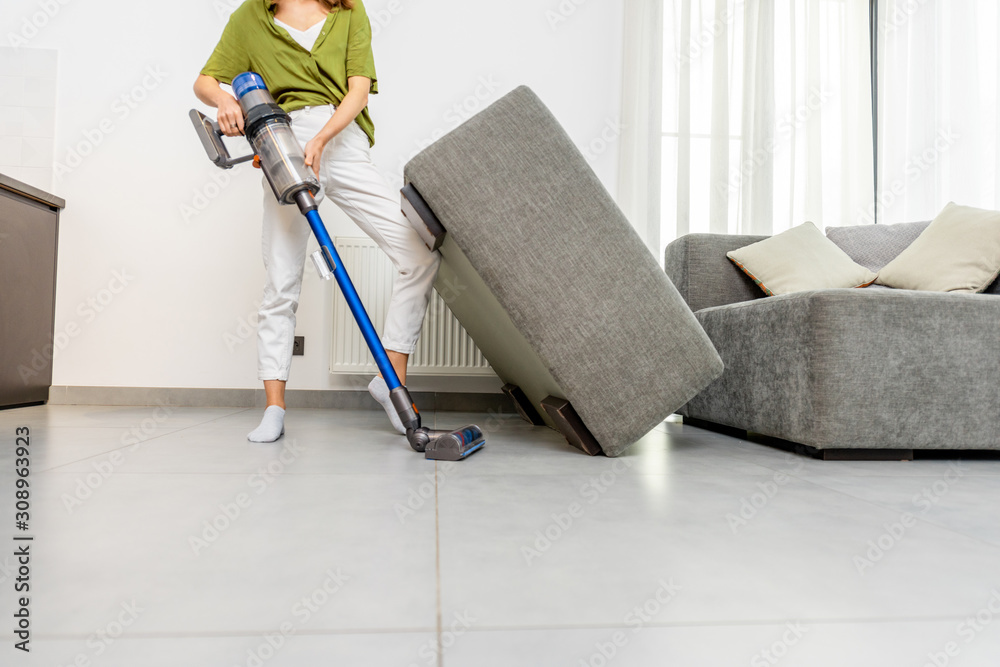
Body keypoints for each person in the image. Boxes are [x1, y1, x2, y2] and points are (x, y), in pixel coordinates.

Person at [194, 0, 439, 442]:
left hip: (341, 139)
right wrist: (226, 101)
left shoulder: (349, 10)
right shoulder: (253, 15)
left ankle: (389, 379)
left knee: (418, 256)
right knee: (282, 282)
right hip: (281, 139)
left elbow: (358, 90)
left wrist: (324, 138)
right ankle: (274, 409)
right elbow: (204, 81)